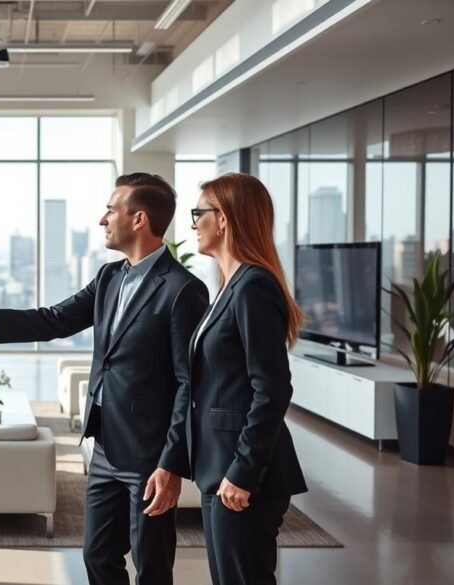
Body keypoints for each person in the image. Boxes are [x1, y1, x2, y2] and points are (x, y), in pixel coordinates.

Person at [0, 173, 209, 585]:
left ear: (139, 219)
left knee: (152, 566)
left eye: (111, 209)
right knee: (96, 556)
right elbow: (56, 318)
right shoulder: (110, 278)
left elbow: (188, 384)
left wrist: (171, 463)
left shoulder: (183, 290)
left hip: (149, 455)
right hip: (105, 445)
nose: (102, 219)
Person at [164, 172, 308, 585]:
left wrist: (243, 471)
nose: (193, 223)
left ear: (223, 219)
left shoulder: (252, 287)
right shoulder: (229, 286)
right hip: (219, 466)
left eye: (199, 213)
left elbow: (273, 388)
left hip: (243, 474)